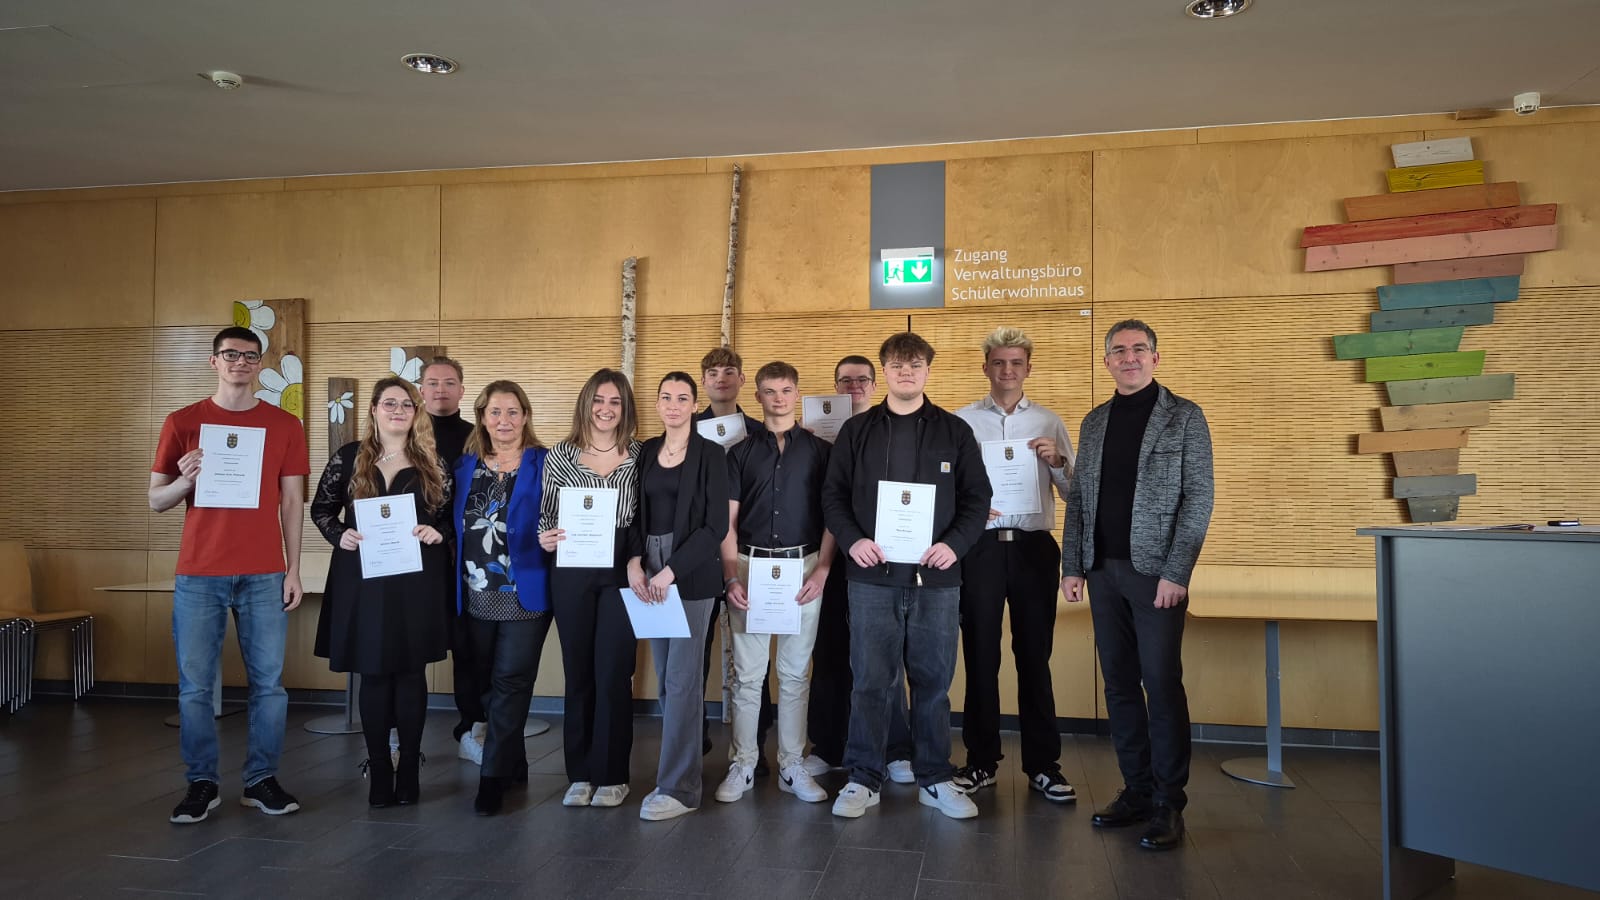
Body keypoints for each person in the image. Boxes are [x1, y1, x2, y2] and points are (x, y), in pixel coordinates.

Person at [822, 332, 992, 821]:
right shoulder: (857, 432)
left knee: (934, 682)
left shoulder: (955, 432)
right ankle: (862, 777)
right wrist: (853, 540)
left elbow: (977, 500)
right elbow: (833, 497)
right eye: (896, 365)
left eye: (914, 364)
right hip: (871, 576)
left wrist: (953, 545)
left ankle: (935, 778)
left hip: (937, 580)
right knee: (871, 680)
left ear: (927, 371)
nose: (905, 372)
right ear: (884, 372)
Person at [1060, 319, 1214, 851]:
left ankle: (1170, 802)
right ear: (1107, 362)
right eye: (1119, 351)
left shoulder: (1184, 417)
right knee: (1120, 684)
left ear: (1156, 356)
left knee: (1162, 685)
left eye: (1139, 349)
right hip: (1103, 571)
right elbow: (1080, 498)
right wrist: (1073, 565)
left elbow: (1199, 499)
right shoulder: (1095, 421)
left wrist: (1177, 572)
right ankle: (1137, 791)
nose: (1129, 358)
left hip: (1156, 577)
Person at [149, 326, 309, 824]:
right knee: (195, 687)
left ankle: (260, 779)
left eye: (249, 355)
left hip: (264, 571)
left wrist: (293, 570)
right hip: (199, 572)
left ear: (259, 364)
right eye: (230, 354)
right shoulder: (183, 421)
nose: (240, 362)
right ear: (213, 361)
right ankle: (202, 782)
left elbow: (291, 502)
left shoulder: (285, 425)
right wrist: (185, 480)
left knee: (269, 684)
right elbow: (156, 500)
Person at [311, 377, 452, 808]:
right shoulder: (349, 457)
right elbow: (321, 509)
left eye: (406, 404)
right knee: (372, 672)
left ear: (417, 412)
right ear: (373, 409)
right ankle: (377, 767)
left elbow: (450, 521)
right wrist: (341, 535)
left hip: (416, 580)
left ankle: (408, 767)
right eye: (388, 403)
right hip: (363, 577)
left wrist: (436, 532)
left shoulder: (433, 461)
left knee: (410, 673)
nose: (397, 410)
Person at [953, 327, 1077, 803]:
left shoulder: (1049, 421)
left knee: (1034, 658)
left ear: (1028, 368)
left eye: (1016, 364)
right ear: (986, 367)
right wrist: (969, 509)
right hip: (980, 551)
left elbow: (1073, 491)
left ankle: (1043, 765)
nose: (1007, 371)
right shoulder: (962, 423)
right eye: (999, 363)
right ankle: (981, 762)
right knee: (981, 657)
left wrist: (1060, 461)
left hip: (1032, 549)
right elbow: (951, 492)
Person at [714, 362, 834, 805]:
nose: (779, 398)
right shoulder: (738, 454)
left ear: (797, 393)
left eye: (786, 390)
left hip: (802, 568)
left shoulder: (821, 453)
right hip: (750, 567)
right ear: (758, 396)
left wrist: (822, 568)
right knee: (747, 676)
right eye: (770, 391)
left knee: (796, 673)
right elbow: (726, 523)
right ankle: (744, 763)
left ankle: (791, 764)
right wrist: (730, 576)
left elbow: (832, 518)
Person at [803, 356, 915, 783]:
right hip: (829, 554)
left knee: (886, 656)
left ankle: (896, 749)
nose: (852, 386)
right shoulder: (810, 434)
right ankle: (828, 745)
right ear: (834, 385)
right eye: (844, 380)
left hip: (886, 556)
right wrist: (805, 444)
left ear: (874, 383)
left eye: (860, 379)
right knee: (830, 651)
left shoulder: (893, 429)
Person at [629, 372, 730, 820]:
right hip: (649, 568)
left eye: (682, 398)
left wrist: (671, 570)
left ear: (694, 405)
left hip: (687, 574)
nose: (673, 405)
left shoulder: (711, 454)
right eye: (665, 397)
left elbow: (715, 527)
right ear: (657, 404)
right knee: (668, 677)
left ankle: (680, 789)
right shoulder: (647, 451)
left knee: (684, 682)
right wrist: (635, 561)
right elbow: (634, 513)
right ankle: (679, 772)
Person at [539, 369, 642, 811]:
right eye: (599, 400)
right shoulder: (560, 455)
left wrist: (638, 559)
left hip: (623, 568)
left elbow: (646, 518)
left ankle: (613, 774)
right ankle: (580, 773)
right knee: (578, 670)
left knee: (614, 673)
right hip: (572, 569)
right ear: (586, 403)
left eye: (616, 402)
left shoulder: (641, 455)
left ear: (626, 408)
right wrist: (546, 536)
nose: (606, 409)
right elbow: (547, 515)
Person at [453, 380, 552, 816]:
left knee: (511, 680)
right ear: (483, 417)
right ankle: (514, 761)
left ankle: (492, 777)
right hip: (474, 592)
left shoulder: (547, 463)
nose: (504, 421)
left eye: (513, 412)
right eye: (495, 412)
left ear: (526, 416)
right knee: (484, 682)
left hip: (525, 591)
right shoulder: (463, 466)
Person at [694, 346, 774, 770]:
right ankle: (694, 740)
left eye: (729, 372)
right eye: (712, 372)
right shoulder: (684, 430)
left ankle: (755, 748)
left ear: (743, 380)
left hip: (752, 556)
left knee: (753, 659)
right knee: (697, 651)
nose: (721, 378)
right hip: (699, 558)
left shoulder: (764, 432)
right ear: (703, 381)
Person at [420, 357, 488, 765]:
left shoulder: (476, 439)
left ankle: (471, 728)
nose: (440, 390)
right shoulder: (403, 436)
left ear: (462, 390)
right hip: (411, 559)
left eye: (449, 383)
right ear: (421, 390)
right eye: (432, 383)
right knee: (410, 647)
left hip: (465, 560)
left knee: (468, 648)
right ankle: (396, 738)